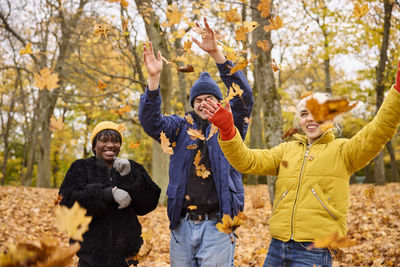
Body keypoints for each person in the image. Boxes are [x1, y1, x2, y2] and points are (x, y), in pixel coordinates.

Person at [203, 61, 400, 267]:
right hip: (277, 247)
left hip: (314, 252)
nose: (310, 119)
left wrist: (397, 92)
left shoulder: (344, 151)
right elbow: (247, 161)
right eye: (304, 114)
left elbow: (379, 131)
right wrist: (227, 130)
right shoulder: (286, 150)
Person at [138, 18, 253, 266]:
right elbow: (151, 123)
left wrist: (216, 53)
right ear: (193, 104)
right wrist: (154, 80)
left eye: (210, 98)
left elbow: (244, 99)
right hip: (183, 227)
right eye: (198, 99)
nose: (203, 103)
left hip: (218, 226)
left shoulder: (228, 127)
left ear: (220, 102)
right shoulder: (180, 127)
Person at [58, 121, 161, 267]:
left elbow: (149, 203)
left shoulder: (132, 168)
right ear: (94, 146)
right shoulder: (80, 167)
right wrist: (106, 194)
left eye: (115, 141)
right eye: (104, 140)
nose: (110, 145)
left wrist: (129, 177)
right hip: (90, 258)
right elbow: (65, 204)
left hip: (126, 259)